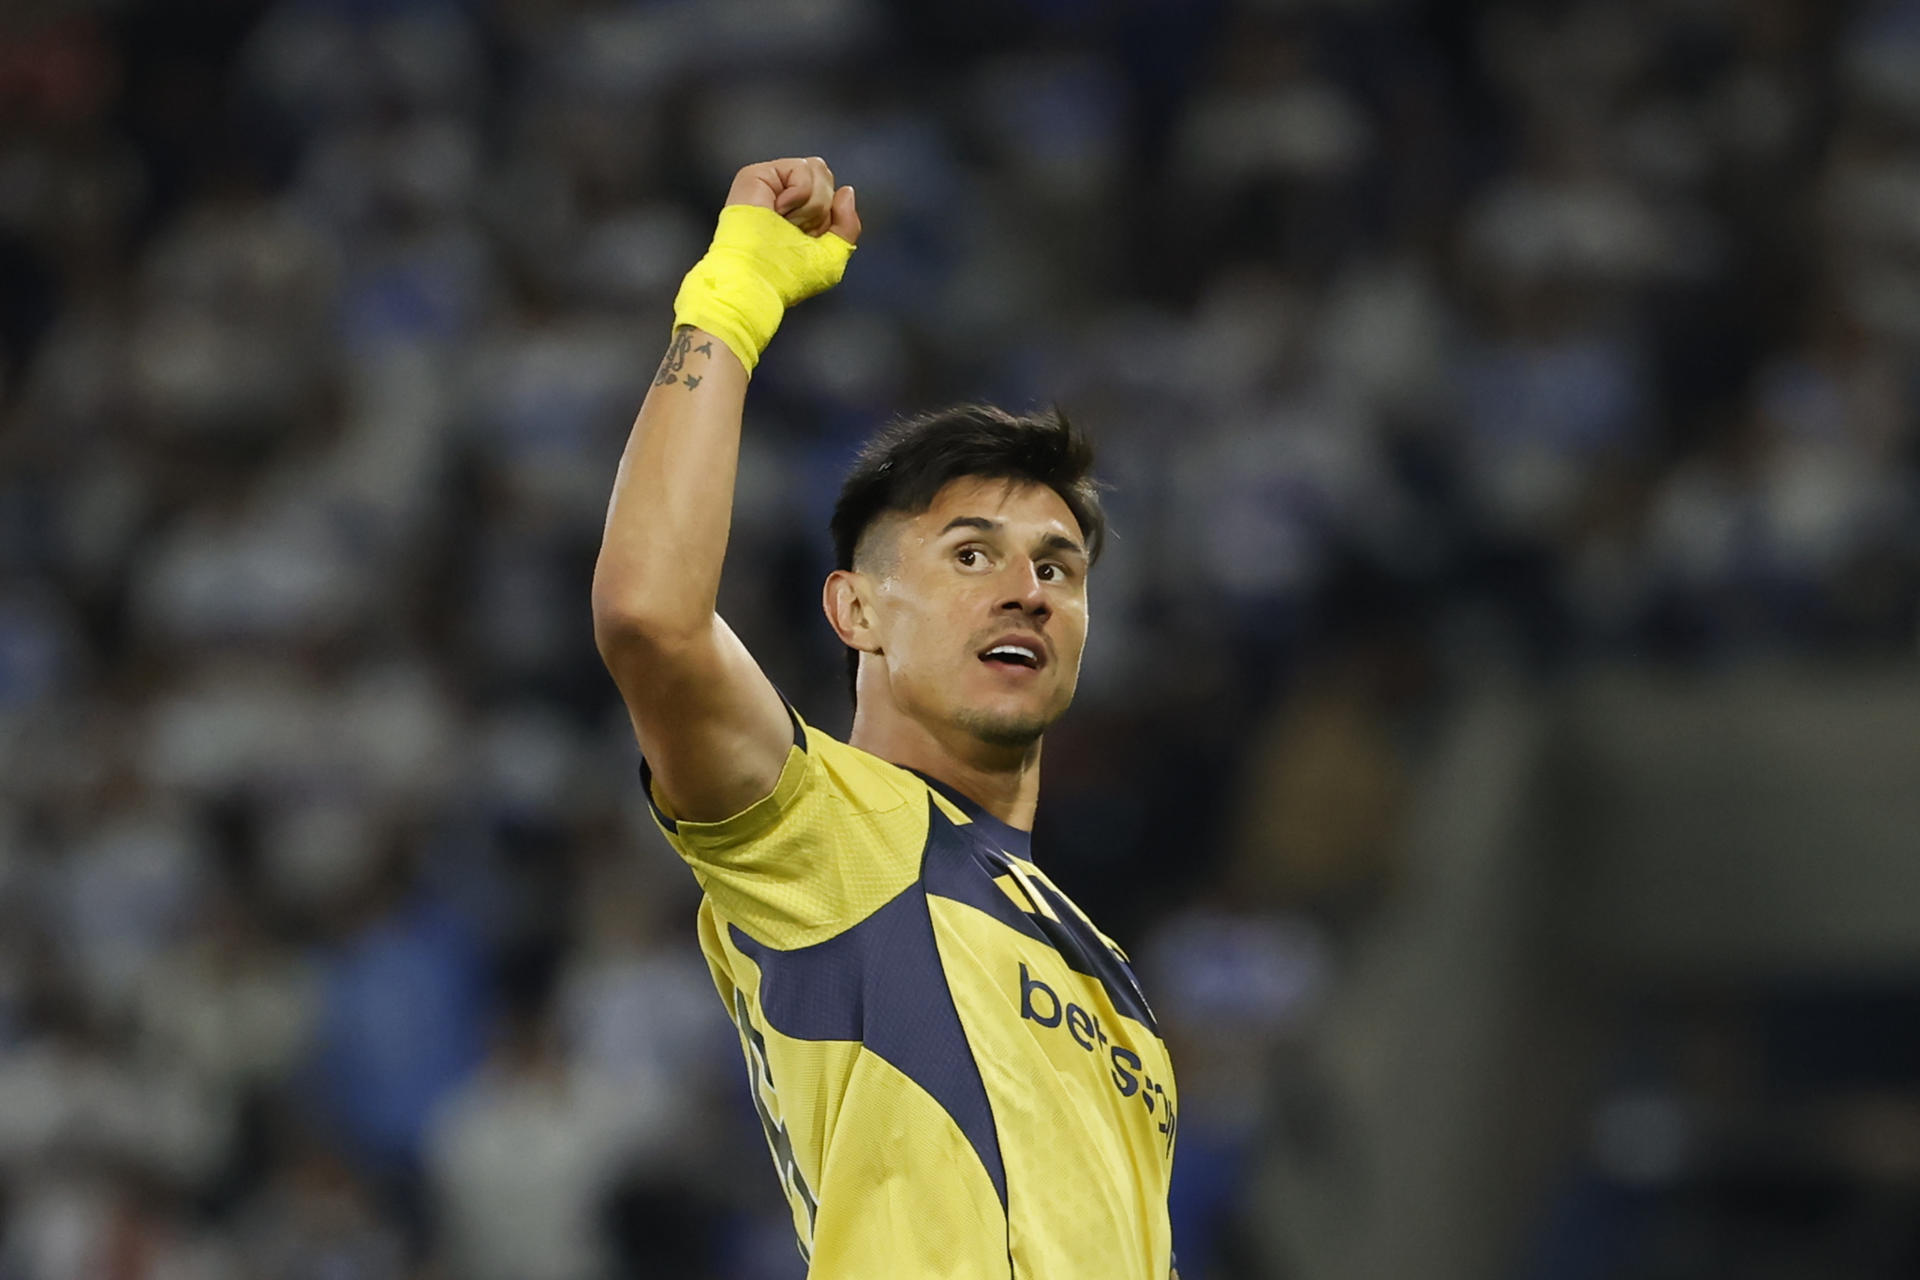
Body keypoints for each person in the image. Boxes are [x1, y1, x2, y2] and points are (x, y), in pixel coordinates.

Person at [593, 156, 1178, 1279]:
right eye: (972, 556)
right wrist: (734, 292)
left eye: (1059, 568)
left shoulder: (1115, 983)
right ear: (855, 609)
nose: (1028, 590)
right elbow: (651, 620)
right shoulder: (832, 831)